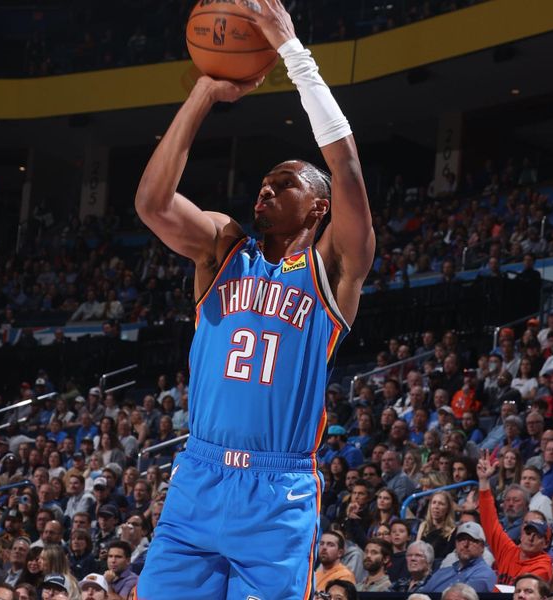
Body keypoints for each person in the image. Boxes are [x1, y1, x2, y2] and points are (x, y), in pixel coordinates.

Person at [133, 1, 374, 597]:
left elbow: (344, 168)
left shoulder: (332, 268)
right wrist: (204, 95)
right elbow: (153, 205)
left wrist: (294, 54)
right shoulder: (222, 248)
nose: (265, 190)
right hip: (199, 475)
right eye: (263, 183)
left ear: (317, 208)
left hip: (278, 492)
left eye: (284, 184)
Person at [476, 450, 553, 585]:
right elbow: (490, 522)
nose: (531, 537)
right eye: (528, 532)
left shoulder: (543, 566)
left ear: (545, 543)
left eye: (538, 535)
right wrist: (483, 482)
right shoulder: (509, 551)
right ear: (521, 535)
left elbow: (524, 591)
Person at [419, 522, 497, 593]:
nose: (465, 544)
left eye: (472, 540)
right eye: (461, 539)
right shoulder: (442, 572)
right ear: (456, 544)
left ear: (482, 547)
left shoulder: (485, 574)